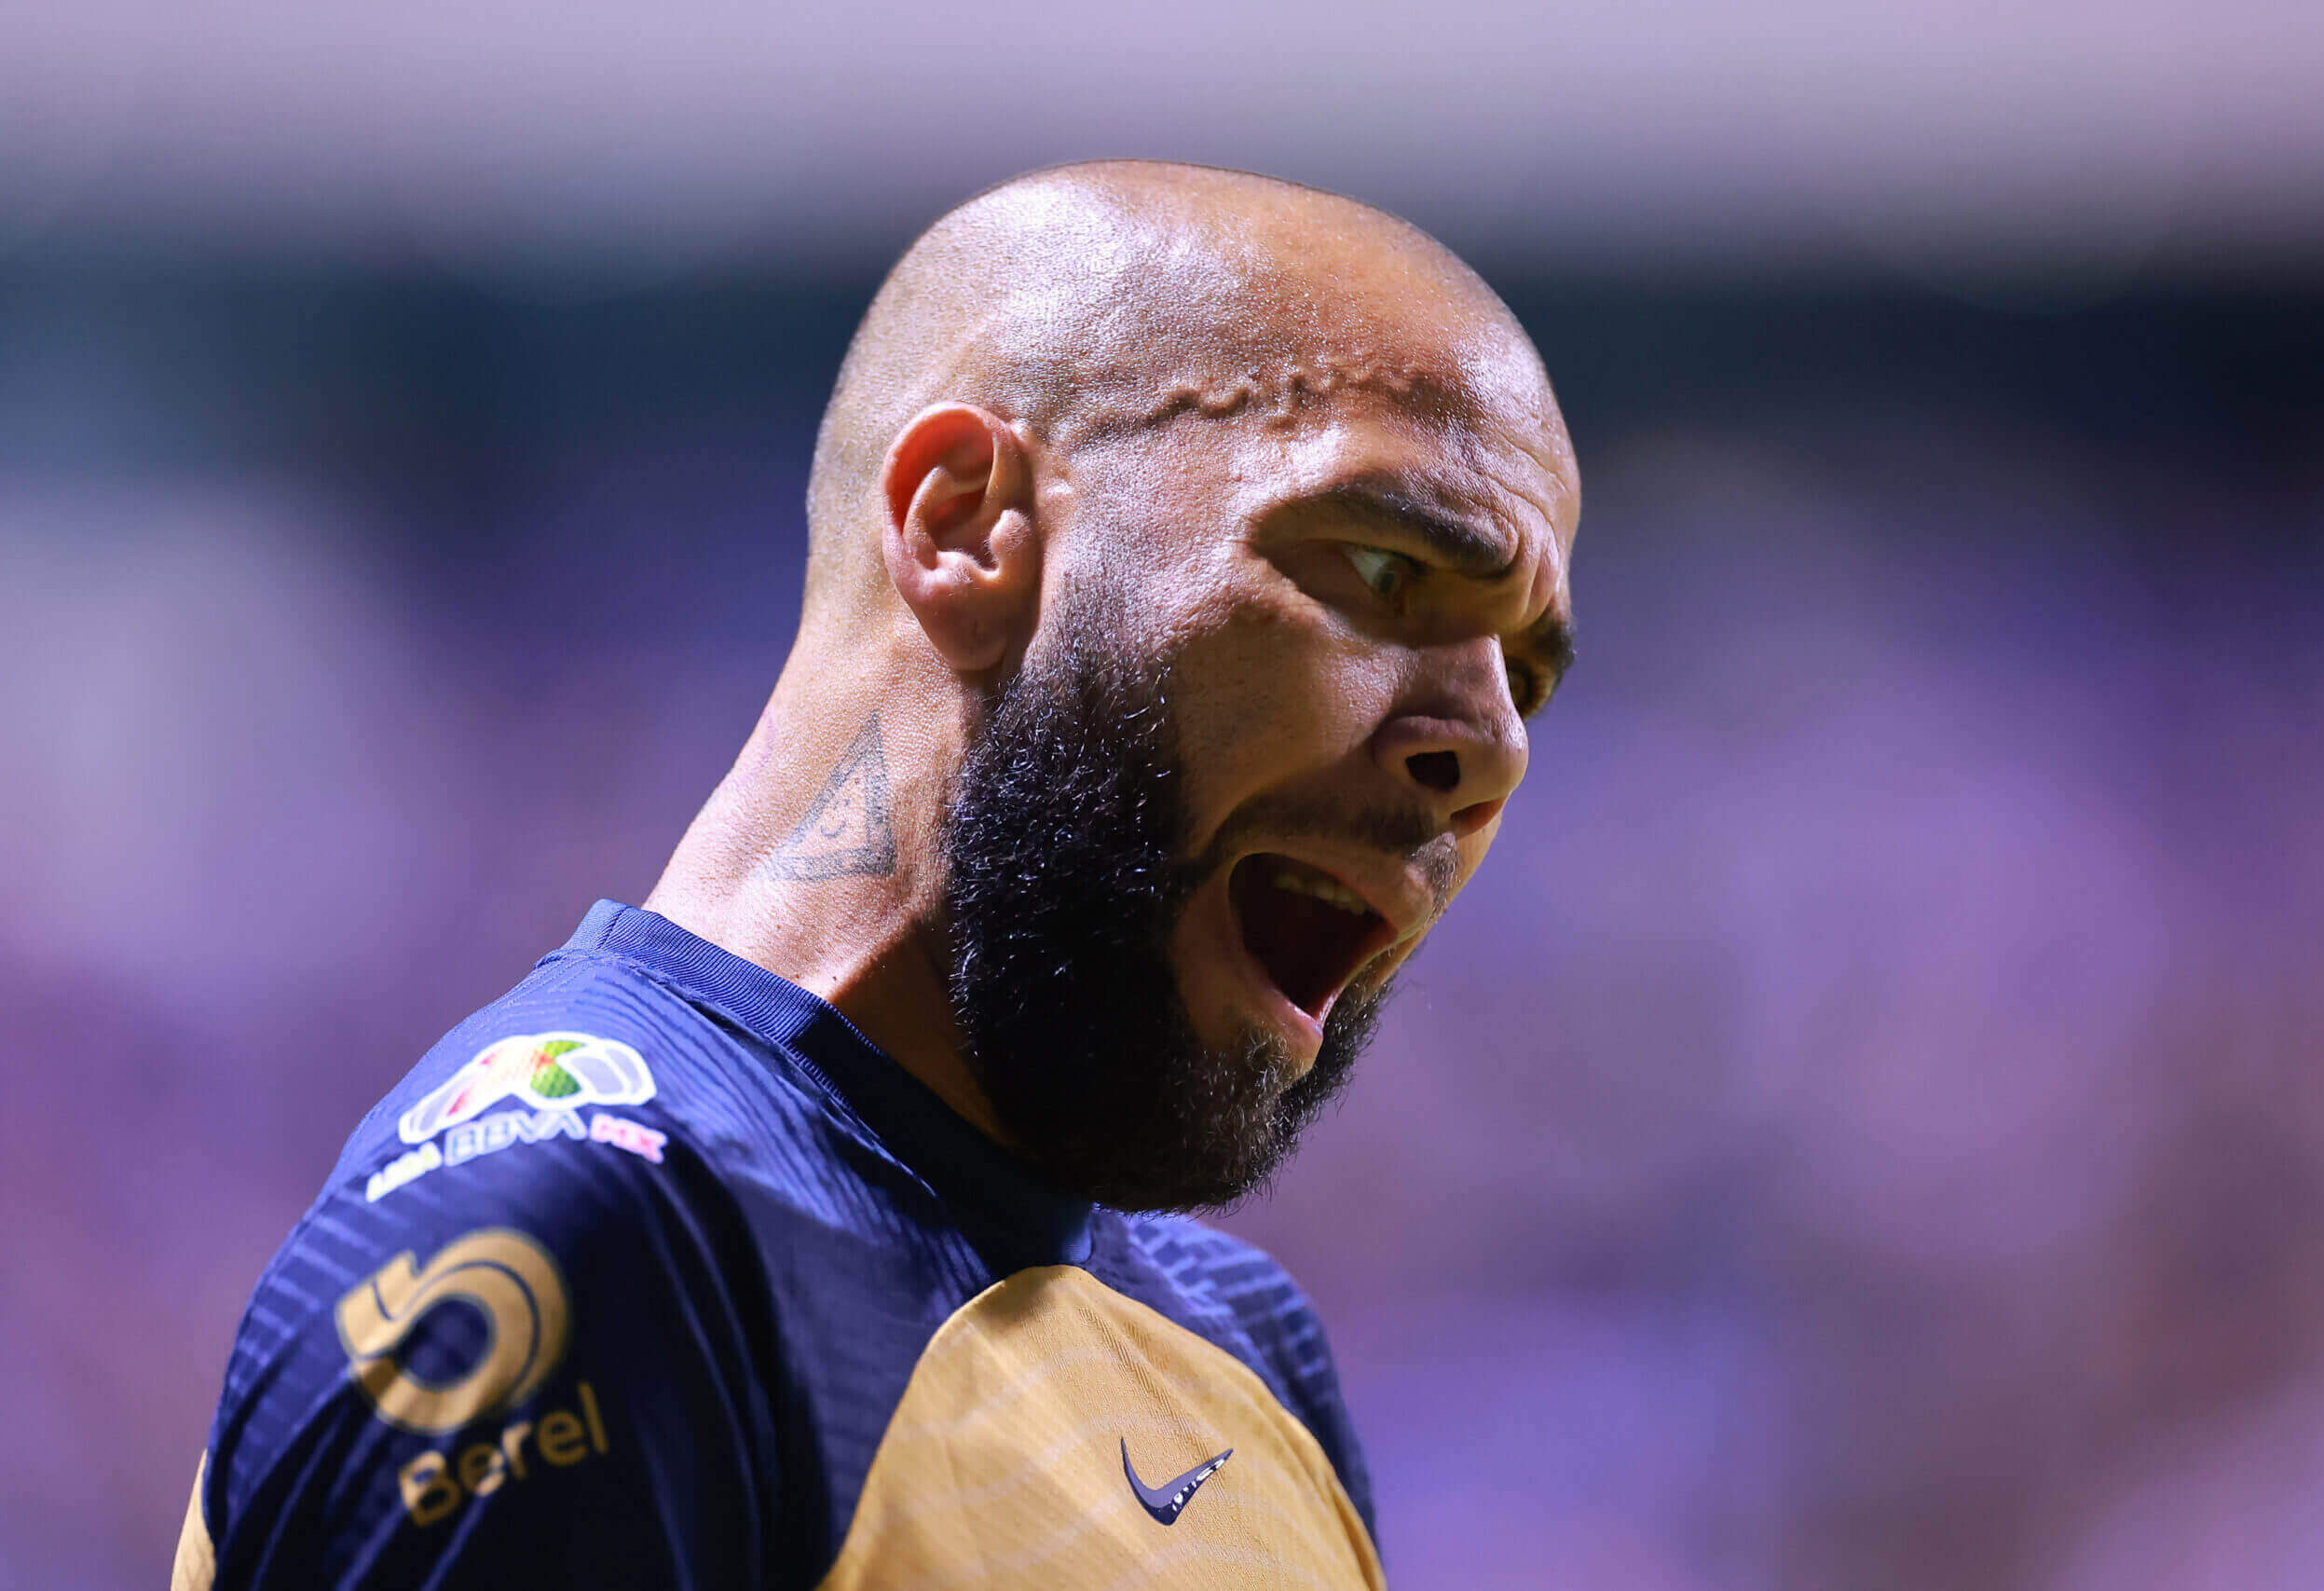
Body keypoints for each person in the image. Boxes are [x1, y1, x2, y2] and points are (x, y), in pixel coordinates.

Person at [172, 159, 1579, 1590]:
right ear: (962, 526)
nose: (1494, 747)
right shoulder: (603, 1242)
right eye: (1382, 571)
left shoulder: (1246, 1360)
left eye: (1526, 675)